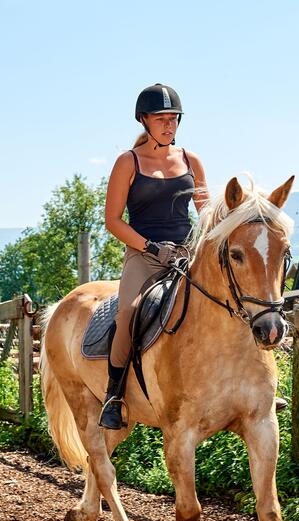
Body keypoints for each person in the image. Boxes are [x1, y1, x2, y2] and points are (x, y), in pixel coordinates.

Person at [99, 83, 208, 429]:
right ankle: (114, 396)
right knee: (128, 314)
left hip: (185, 256)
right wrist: (149, 247)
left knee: (226, 304)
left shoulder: (192, 161)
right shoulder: (127, 162)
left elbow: (206, 214)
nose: (169, 125)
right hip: (144, 257)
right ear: (144, 120)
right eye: (161, 118)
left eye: (173, 118)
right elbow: (112, 221)